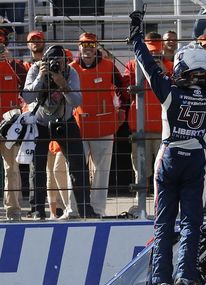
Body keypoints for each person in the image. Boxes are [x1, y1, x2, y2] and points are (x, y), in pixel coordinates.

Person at [128, 10, 206, 285]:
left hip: (168, 158)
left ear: (182, 70)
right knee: (192, 222)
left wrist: (136, 33)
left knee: (163, 223)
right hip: (196, 160)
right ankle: (185, 277)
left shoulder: (170, 92)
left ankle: (160, 281)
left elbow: (148, 65)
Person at [22, 45, 99, 219]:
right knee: (38, 166)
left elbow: (77, 101)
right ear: (44, 61)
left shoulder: (70, 72)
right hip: (40, 122)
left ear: (66, 61)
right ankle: (37, 210)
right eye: (52, 61)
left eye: (60, 61)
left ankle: (85, 208)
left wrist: (64, 85)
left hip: (65, 120)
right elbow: (27, 97)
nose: (56, 64)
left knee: (79, 164)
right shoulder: (36, 69)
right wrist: (41, 77)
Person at [70, 32, 127, 216]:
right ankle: (75, 209)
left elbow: (123, 89)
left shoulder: (109, 66)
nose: (88, 49)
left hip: (104, 127)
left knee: (102, 171)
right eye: (84, 45)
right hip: (78, 127)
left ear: (97, 47)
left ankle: (98, 209)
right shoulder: (71, 68)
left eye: (91, 45)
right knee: (76, 170)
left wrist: (121, 109)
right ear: (79, 47)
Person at [124, 32, 173, 188]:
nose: (153, 55)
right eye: (150, 52)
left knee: (164, 169)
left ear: (162, 50)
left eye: (156, 52)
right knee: (141, 170)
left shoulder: (170, 66)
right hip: (140, 126)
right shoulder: (132, 65)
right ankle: (142, 204)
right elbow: (125, 90)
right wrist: (142, 71)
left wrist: (164, 71)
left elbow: (177, 90)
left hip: (163, 128)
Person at [0, 32, 24, 220]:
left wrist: (10, 62)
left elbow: (28, 87)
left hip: (9, 125)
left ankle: (13, 209)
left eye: (2, 46)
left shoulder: (15, 66)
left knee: (11, 169)